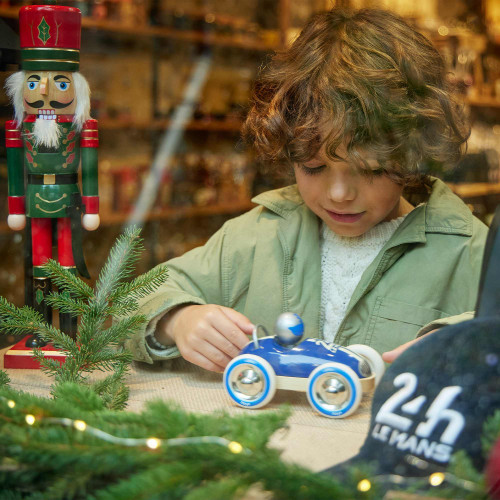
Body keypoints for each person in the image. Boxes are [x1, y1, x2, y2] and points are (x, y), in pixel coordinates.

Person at [124, 8, 487, 372]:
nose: (339, 194)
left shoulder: (469, 250)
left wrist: (466, 343)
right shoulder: (256, 236)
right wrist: (179, 320)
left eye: (371, 169)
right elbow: (132, 302)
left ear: (413, 152)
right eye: (313, 168)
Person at [4, 3, 99, 347]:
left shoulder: (81, 129)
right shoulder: (19, 130)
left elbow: (89, 169)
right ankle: (40, 332)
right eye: (34, 83)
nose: (44, 93)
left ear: (77, 90)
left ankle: (69, 333)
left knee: (69, 264)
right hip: (33, 200)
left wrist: (91, 206)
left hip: (68, 197)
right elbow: (16, 170)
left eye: (59, 84)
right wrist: (15, 207)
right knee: (39, 264)